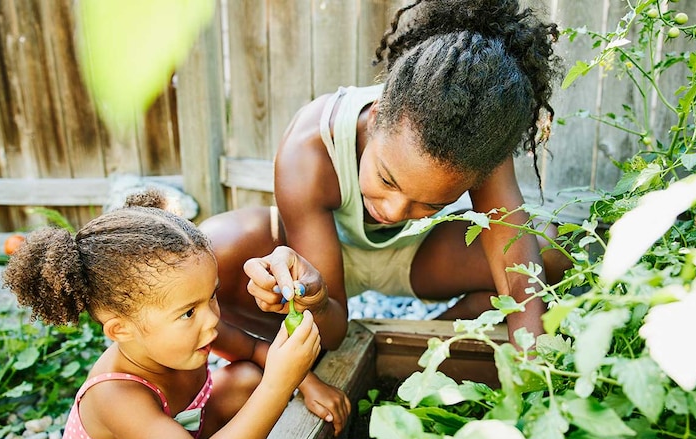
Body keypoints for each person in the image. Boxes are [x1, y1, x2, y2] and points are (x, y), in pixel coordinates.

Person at [201, 0, 571, 351]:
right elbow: (334, 328)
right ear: (376, 116)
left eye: (430, 204)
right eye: (387, 180)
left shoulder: (476, 142)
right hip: (326, 256)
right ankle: (283, 357)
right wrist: (315, 302)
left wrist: (533, 365)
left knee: (548, 253)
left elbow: (518, 273)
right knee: (213, 250)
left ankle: (427, 347)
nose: (393, 212)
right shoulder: (310, 147)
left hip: (415, 255)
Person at [2, 190, 350, 439]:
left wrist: (308, 383)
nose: (211, 318)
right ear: (121, 330)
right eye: (188, 312)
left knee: (246, 379)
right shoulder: (115, 394)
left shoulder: (192, 334)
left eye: (211, 296)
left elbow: (254, 349)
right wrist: (278, 384)